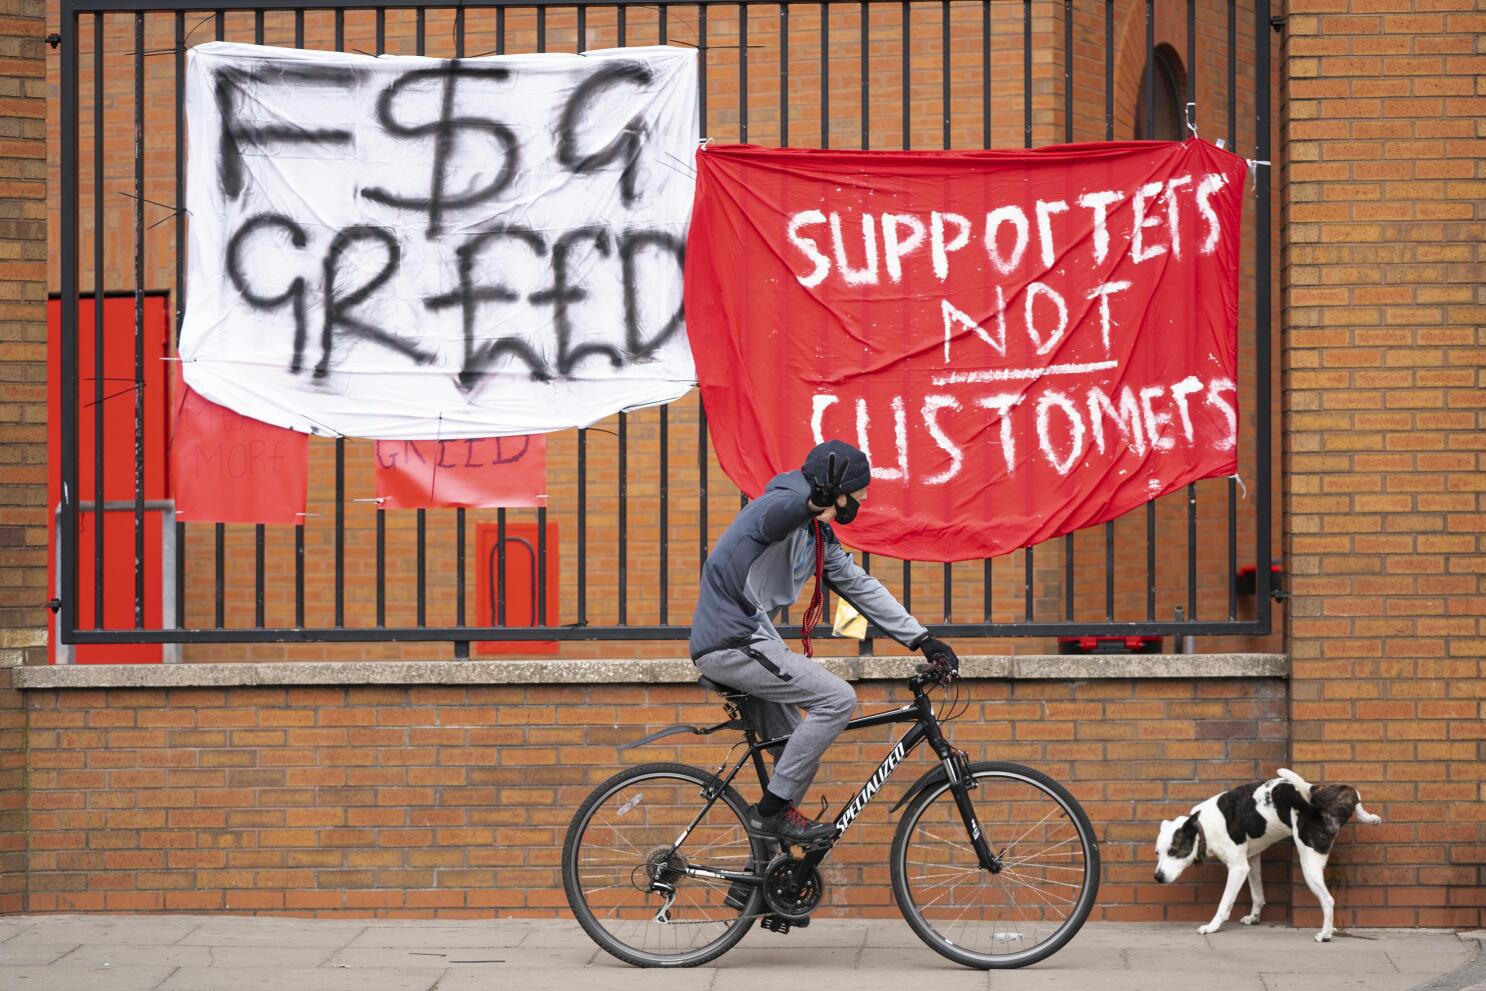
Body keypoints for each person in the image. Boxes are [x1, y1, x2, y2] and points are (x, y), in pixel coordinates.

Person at [689, 439, 961, 846]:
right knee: (837, 699)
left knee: (796, 761)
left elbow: (860, 586)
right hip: (733, 639)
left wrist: (922, 639)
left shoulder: (818, 536)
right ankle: (770, 814)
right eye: (859, 494)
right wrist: (810, 504)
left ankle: (759, 884)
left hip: (756, 643)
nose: (863, 501)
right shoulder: (778, 506)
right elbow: (779, 516)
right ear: (834, 491)